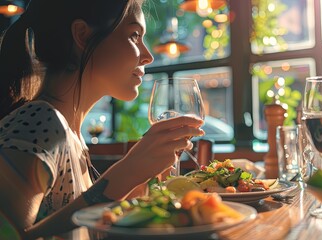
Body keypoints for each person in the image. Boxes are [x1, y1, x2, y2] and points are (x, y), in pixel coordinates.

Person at [0, 0, 205, 239]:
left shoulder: (73, 136)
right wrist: (124, 174)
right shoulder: (40, 121)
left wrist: (133, 186)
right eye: (135, 35)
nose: (148, 56)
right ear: (83, 36)